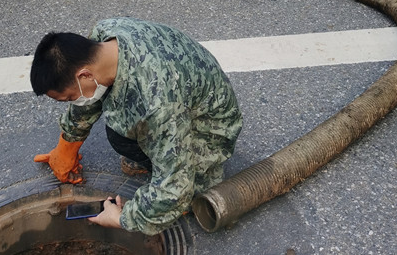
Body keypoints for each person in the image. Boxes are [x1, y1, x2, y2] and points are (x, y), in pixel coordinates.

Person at [31, 17, 242, 236]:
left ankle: (203, 175)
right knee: (118, 132)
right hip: (181, 96)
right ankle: (155, 157)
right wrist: (67, 144)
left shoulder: (156, 102)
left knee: (180, 191)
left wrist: (123, 218)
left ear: (84, 75)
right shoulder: (105, 35)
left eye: (69, 98)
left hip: (210, 128)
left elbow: (173, 189)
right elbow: (89, 94)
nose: (73, 102)